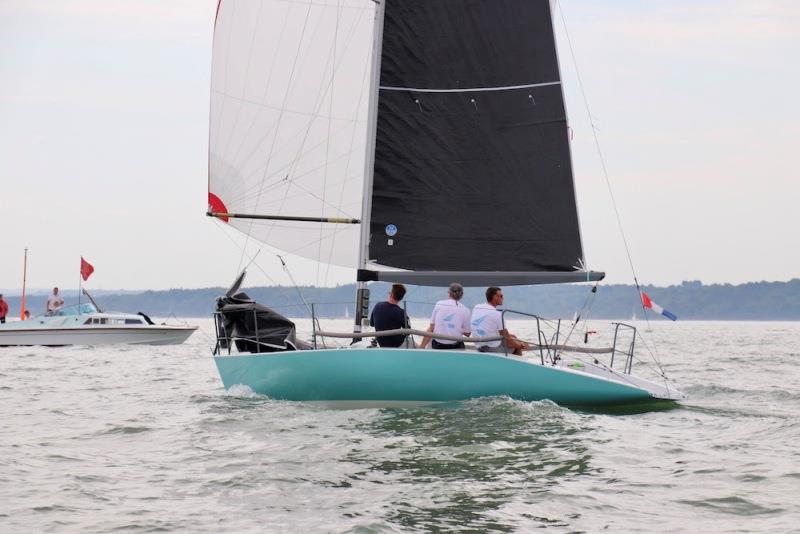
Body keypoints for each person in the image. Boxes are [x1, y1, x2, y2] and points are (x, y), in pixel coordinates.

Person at [470, 286, 527, 356]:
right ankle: (517, 366)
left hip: (479, 346)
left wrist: (511, 337)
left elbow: (488, 328)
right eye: (501, 296)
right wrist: (521, 345)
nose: (503, 298)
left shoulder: (477, 307)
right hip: (491, 348)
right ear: (494, 297)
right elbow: (510, 343)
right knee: (515, 346)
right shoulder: (497, 314)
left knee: (513, 337)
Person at [418, 283, 471, 350]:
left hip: (438, 345)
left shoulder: (439, 304)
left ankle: (421, 348)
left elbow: (432, 326)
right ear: (461, 295)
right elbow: (468, 334)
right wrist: (457, 328)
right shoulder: (465, 310)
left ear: (449, 293)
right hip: (454, 346)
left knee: (431, 331)